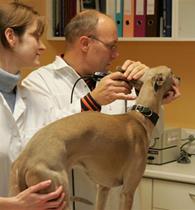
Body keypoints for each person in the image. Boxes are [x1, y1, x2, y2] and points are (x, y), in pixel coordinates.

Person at [21, 9, 180, 210]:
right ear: (85, 44)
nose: (116, 54)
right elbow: (34, 144)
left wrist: (155, 96)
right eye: (111, 46)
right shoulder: (38, 83)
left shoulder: (119, 82)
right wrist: (91, 101)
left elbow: (152, 136)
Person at [0, 2, 66, 210]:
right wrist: (12, 205)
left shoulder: (36, 100)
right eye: (35, 36)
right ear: (11, 37)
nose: (43, 46)